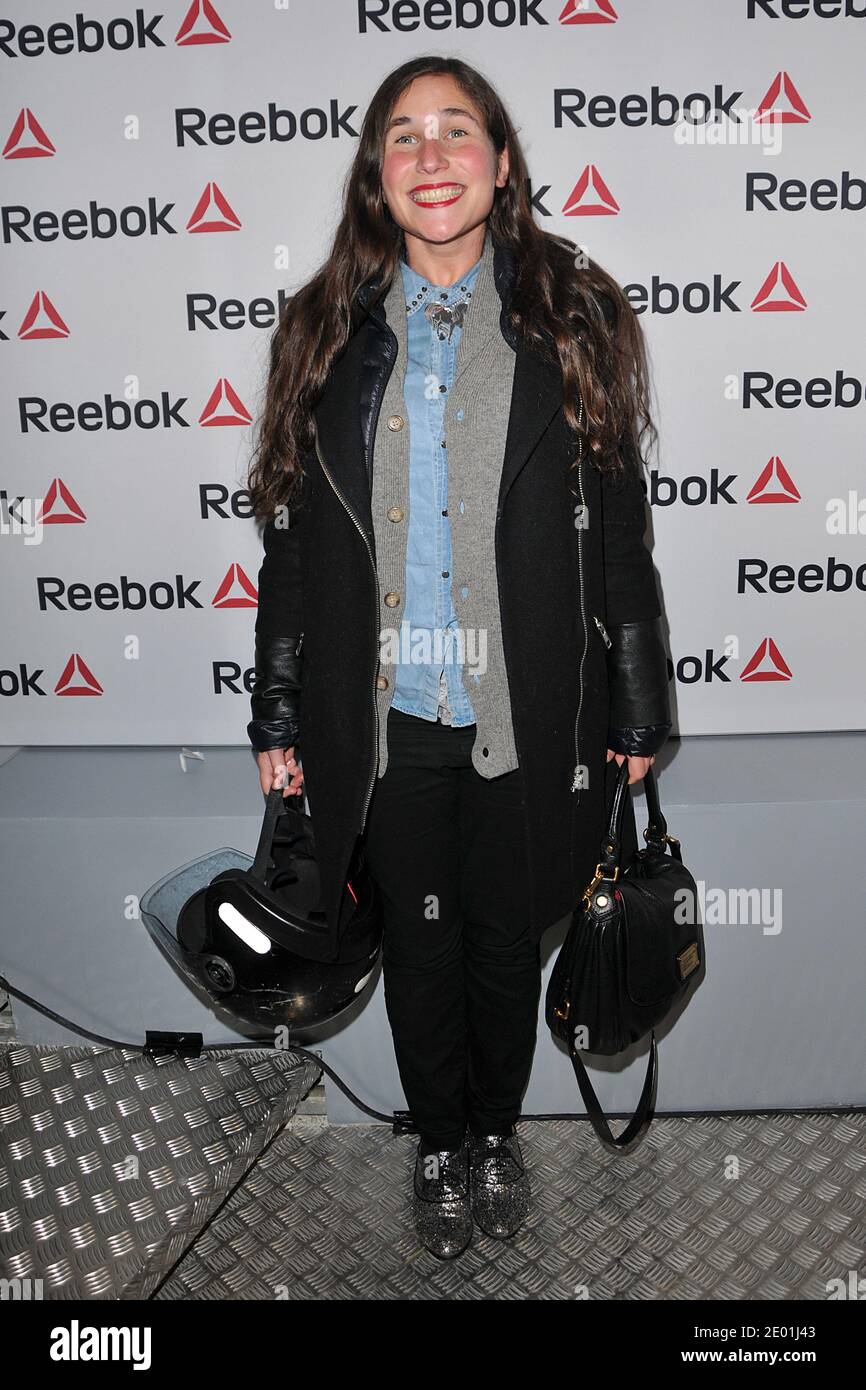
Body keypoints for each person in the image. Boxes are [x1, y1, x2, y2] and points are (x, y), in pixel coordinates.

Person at [245, 56, 671, 1260]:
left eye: (456, 131)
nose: (430, 157)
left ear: (498, 161)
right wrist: (278, 714)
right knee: (420, 946)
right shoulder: (322, 332)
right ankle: (438, 1141)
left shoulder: (568, 316)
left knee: (502, 941)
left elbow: (620, 544)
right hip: (386, 716)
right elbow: (286, 547)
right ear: (375, 177)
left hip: (528, 707)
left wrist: (635, 707)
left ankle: (494, 1131)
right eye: (401, 137)